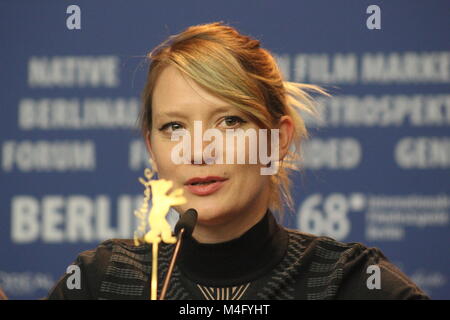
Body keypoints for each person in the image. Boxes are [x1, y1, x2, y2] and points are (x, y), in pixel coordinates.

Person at [47, 22, 429, 300]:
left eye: (230, 121)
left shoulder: (349, 282)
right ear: (152, 147)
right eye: (174, 127)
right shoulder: (100, 283)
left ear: (278, 140)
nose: (198, 150)